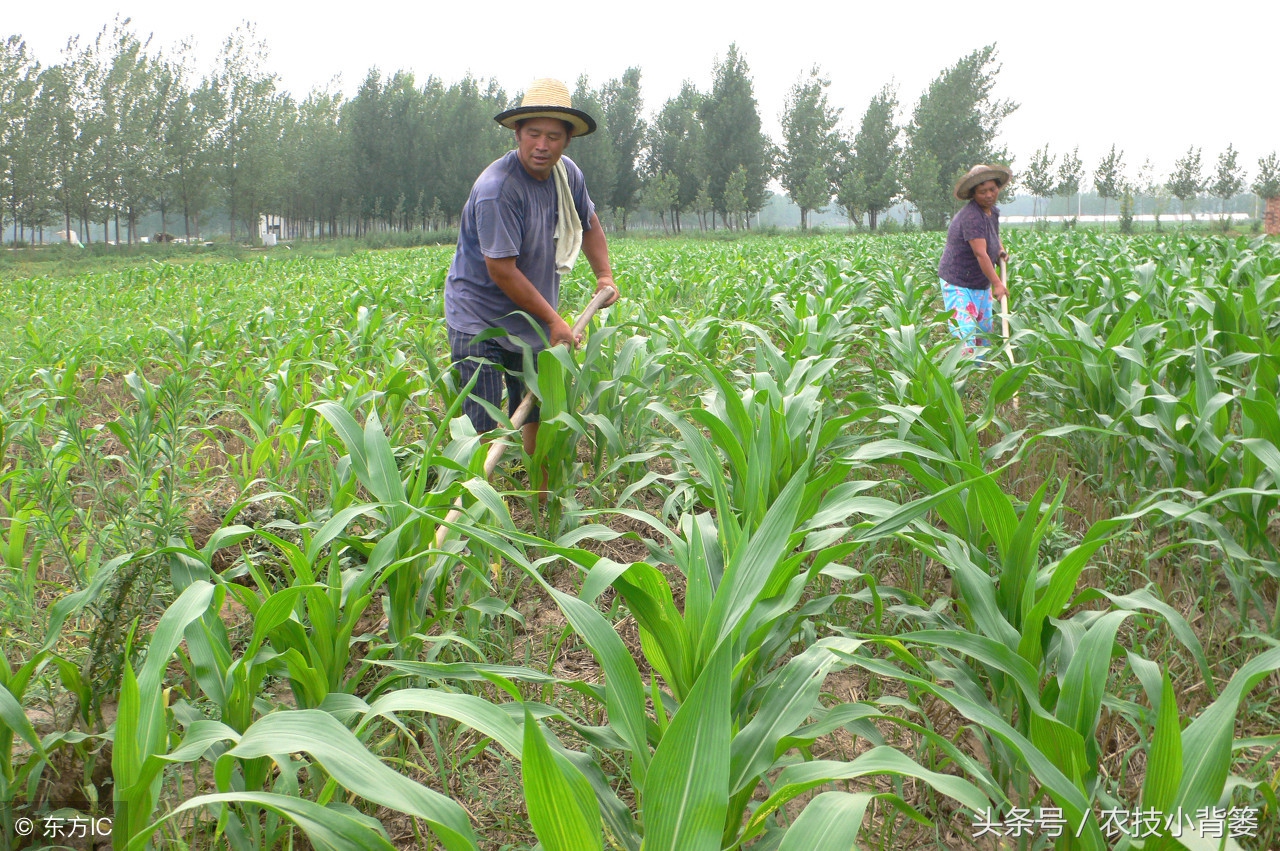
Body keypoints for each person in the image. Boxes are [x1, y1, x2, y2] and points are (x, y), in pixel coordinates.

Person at [444, 78, 619, 458]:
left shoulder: (566, 174)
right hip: (480, 322)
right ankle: (474, 507)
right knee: (481, 428)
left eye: (553, 136)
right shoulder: (499, 189)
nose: (542, 146)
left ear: (567, 140)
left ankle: (541, 503)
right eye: (534, 134)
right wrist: (555, 321)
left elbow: (588, 222)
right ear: (518, 134)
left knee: (537, 412)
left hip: (531, 319)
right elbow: (501, 270)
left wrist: (603, 274)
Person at [937, 164, 1012, 356]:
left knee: (984, 334)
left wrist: (1000, 251)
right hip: (958, 282)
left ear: (998, 188)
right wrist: (997, 283)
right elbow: (980, 253)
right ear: (973, 194)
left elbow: (992, 236)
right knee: (966, 336)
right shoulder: (971, 217)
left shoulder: (992, 212)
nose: (988, 195)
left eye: (992, 189)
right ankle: (962, 379)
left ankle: (980, 375)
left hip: (979, 281)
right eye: (982, 192)